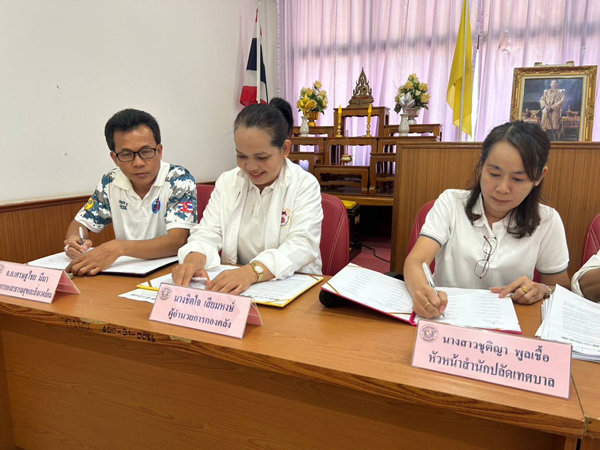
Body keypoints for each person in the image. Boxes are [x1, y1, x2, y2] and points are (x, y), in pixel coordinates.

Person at [404, 121, 570, 318]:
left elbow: (561, 288)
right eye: (494, 174)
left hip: (511, 329)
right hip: (446, 318)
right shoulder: (451, 203)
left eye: (518, 179)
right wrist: (422, 291)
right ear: (482, 165)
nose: (502, 188)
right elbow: (416, 261)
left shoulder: (547, 221)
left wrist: (543, 289)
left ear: (539, 177)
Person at [172, 97, 323, 294]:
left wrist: (251, 272)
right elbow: (208, 232)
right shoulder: (228, 181)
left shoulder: (304, 184)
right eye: (241, 156)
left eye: (262, 157)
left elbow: (302, 244)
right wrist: (192, 260)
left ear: (285, 149)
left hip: (290, 286)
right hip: (237, 288)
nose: (251, 167)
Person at [64, 109, 197, 276]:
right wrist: (74, 241)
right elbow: (79, 224)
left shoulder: (178, 179)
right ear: (114, 158)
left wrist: (119, 248)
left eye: (146, 152)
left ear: (160, 151)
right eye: (127, 154)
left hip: (171, 272)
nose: (139, 163)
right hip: (125, 272)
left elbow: (177, 241)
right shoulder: (110, 181)